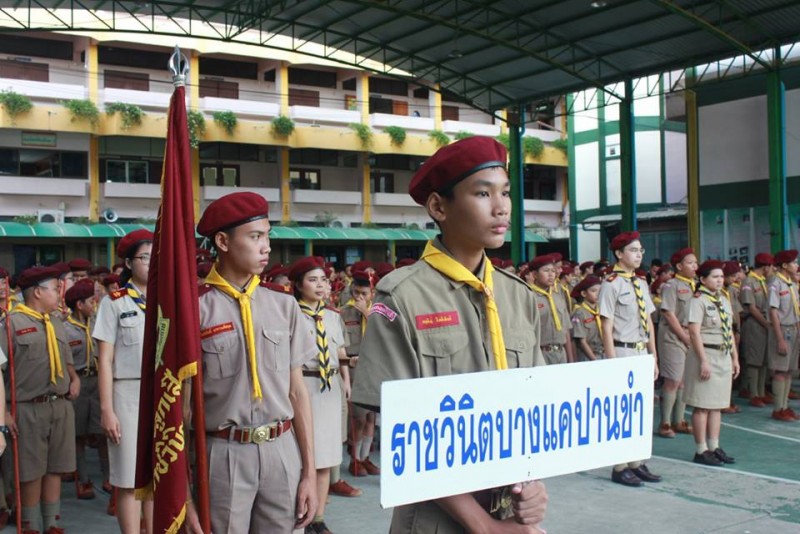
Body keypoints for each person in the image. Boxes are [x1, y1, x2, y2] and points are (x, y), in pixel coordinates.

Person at [351, 136, 548, 533]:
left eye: (505, 192)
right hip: (435, 518)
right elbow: (408, 434)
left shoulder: (518, 295)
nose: (501, 207)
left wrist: (534, 485)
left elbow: (534, 407)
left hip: (507, 509)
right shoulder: (402, 296)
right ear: (439, 207)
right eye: (483, 193)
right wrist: (484, 527)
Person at [185, 192, 318, 533]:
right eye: (255, 237)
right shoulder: (195, 309)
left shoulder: (283, 304)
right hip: (223, 452)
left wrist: (309, 472)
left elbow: (297, 393)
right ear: (223, 242)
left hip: (281, 448)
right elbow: (180, 410)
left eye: (267, 236)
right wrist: (184, 498)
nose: (266, 247)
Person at [1, 266, 76, 534]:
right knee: (31, 470)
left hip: (60, 404)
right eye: (55, 289)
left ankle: (52, 523)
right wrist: (4, 412)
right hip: (27, 407)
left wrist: (74, 378)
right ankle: (30, 525)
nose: (59, 294)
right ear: (37, 292)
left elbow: (65, 357)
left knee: (56, 467)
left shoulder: (55, 321)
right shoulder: (10, 323)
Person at [92, 229, 154, 533]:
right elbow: (104, 360)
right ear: (129, 263)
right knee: (130, 478)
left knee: (156, 476)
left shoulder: (166, 301)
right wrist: (107, 410)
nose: (152, 263)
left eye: (156, 257)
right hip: (127, 393)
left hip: (162, 393)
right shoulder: (114, 303)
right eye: (145, 257)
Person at [289, 257, 350, 534]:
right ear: (298, 285)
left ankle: (319, 518)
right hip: (304, 385)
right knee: (304, 456)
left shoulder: (333, 317)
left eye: (323, 280)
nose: (320, 285)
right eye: (312, 280)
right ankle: (300, 514)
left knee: (327, 455)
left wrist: (346, 379)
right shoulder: (291, 315)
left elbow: (339, 353)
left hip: (330, 388)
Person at [599, 231, 662, 488]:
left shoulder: (641, 282)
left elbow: (649, 322)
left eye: (640, 250)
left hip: (640, 351)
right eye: (633, 250)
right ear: (618, 254)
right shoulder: (611, 283)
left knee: (640, 410)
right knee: (621, 411)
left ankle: (636, 462)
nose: (639, 255)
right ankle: (619, 466)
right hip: (622, 351)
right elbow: (606, 325)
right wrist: (612, 361)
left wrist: (653, 357)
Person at [684, 260, 740, 466]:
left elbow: (728, 331)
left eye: (721, 277)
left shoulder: (723, 299)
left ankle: (714, 446)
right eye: (715, 277)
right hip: (706, 354)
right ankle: (701, 449)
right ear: (703, 279)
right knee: (702, 406)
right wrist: (703, 361)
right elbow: (694, 332)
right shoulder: (698, 300)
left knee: (717, 405)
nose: (719, 280)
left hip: (723, 354)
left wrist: (734, 357)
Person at [63, 280, 108, 501]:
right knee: (78, 434)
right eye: (91, 301)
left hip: (97, 381)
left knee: (103, 433)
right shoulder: (64, 328)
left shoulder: (97, 322)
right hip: (79, 382)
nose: (94, 304)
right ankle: (83, 479)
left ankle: (109, 477)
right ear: (79, 305)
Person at [339, 271, 379, 479]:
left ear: (372, 293)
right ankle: (355, 459)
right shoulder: (344, 313)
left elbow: (384, 336)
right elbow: (340, 345)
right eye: (356, 293)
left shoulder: (379, 312)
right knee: (359, 418)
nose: (359, 297)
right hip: (355, 368)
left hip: (376, 367)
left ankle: (364, 457)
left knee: (372, 416)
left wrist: (366, 314)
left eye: (364, 293)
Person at [656, 248, 698, 438]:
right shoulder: (671, 286)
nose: (694, 266)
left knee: (683, 380)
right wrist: (684, 336)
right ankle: (664, 423)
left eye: (695, 262)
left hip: (690, 335)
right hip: (673, 336)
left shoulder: (695, 285)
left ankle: (679, 420)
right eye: (690, 263)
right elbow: (668, 313)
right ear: (679, 266)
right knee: (673, 379)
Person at [766, 249, 800, 422]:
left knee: (788, 371)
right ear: (784, 265)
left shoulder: (791, 283)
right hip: (782, 330)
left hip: (793, 329)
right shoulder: (776, 284)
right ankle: (778, 409)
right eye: (793, 262)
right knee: (780, 370)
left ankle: (785, 406)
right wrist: (779, 338)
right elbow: (773, 312)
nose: (797, 265)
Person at [739, 253, 773, 407]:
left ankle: (761, 392)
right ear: (766, 267)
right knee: (754, 360)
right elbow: (751, 308)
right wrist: (766, 323)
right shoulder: (749, 281)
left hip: (765, 323)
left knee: (764, 359)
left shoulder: (763, 281)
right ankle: (754, 394)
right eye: (771, 267)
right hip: (754, 323)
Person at [527, 254, 569, 365]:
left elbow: (566, 330)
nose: (551, 275)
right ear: (535, 274)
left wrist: (570, 358)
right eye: (546, 271)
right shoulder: (529, 297)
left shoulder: (558, 296)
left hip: (561, 352)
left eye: (553, 271)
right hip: (540, 353)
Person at [570, 275, 604, 362]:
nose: (598, 294)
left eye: (600, 291)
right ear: (584, 294)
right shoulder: (579, 313)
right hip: (588, 357)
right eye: (593, 291)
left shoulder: (602, 310)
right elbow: (582, 342)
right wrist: (594, 360)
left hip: (604, 353)